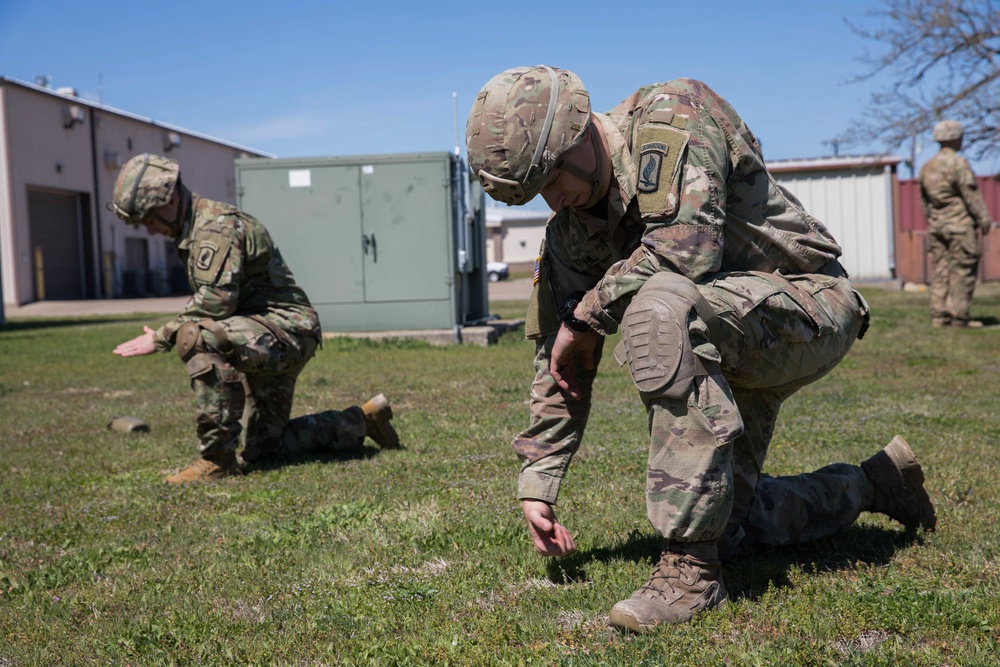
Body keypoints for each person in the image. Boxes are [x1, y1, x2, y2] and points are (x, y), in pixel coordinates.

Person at [466, 66, 936, 633]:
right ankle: (874, 483)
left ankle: (689, 573)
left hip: (808, 306)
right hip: (716, 337)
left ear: (579, 134)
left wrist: (587, 316)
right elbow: (558, 360)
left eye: (551, 178)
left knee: (658, 308)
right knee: (731, 524)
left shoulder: (670, 117)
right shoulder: (570, 230)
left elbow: (683, 253)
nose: (552, 200)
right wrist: (539, 481)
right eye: (535, 194)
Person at [110, 153, 400, 483]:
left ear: (171, 198)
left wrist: (160, 336)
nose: (149, 230)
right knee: (264, 448)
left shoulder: (216, 228)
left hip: (285, 330)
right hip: (264, 331)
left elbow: (215, 303)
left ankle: (216, 460)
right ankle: (363, 421)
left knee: (197, 336)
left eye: (149, 218)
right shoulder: (198, 228)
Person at [918, 120, 994, 328]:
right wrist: (984, 219)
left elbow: (923, 201)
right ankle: (959, 317)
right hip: (960, 227)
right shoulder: (958, 164)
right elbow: (970, 195)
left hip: (937, 227)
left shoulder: (926, 167)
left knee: (940, 269)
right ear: (954, 137)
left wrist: (933, 221)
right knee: (962, 269)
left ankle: (939, 316)